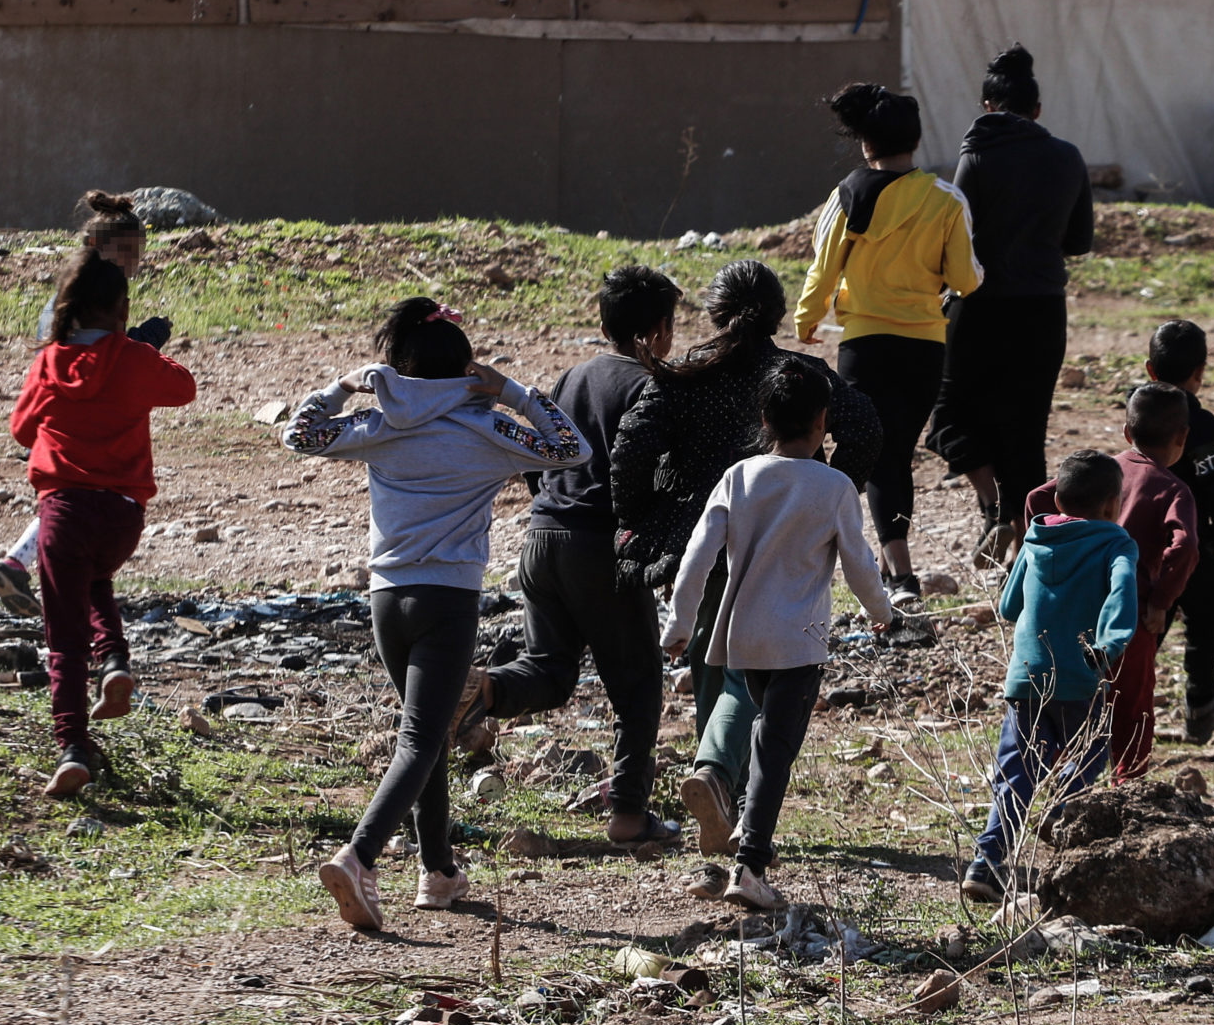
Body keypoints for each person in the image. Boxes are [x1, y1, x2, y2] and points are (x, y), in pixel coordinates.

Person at [283, 298, 583, 933]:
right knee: (422, 738)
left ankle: (437, 869)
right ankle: (359, 857)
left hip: (386, 600)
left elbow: (299, 433)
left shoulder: (379, 426)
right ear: (465, 371)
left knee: (430, 734)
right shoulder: (489, 430)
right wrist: (515, 392)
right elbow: (571, 449)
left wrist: (341, 384)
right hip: (448, 601)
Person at [608, 260, 878, 851]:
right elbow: (867, 426)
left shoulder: (683, 375)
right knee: (744, 678)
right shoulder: (802, 377)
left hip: (699, 535)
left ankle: (717, 789)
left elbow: (631, 446)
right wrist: (826, 491)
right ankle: (719, 782)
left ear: (714, 313)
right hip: (785, 544)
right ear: (779, 314)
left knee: (714, 662)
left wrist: (645, 515)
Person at [453, 265, 681, 846]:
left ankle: (481, 690)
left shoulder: (572, 376)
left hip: (542, 538)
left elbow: (539, 455)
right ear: (658, 332)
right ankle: (629, 814)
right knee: (637, 688)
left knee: (551, 672)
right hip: (601, 548)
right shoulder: (652, 387)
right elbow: (657, 475)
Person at [663, 361, 894, 911]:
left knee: (758, 732)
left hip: (742, 641)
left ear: (765, 419)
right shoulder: (835, 486)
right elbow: (860, 563)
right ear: (823, 423)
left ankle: (746, 828)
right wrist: (880, 609)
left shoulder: (739, 477)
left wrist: (678, 623)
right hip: (800, 642)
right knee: (774, 750)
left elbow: (698, 557)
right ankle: (750, 866)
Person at [6, 252, 197, 797]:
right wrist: (142, 349)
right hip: (121, 517)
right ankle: (114, 661)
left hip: (63, 513)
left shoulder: (49, 363)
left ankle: (72, 747)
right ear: (122, 309)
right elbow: (183, 388)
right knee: (97, 581)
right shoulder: (134, 359)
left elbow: (22, 431)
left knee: (64, 638)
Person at [796, 82, 981, 606]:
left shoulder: (847, 195)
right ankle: (892, 567)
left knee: (879, 452)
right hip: (924, 346)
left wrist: (806, 318)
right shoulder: (946, 198)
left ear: (865, 144)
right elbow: (966, 279)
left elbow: (822, 266)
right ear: (916, 141)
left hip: (864, 344)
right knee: (894, 449)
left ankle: (892, 572)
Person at [928, 44, 1094, 565]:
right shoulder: (1067, 157)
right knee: (1026, 432)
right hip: (1044, 310)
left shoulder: (976, 154)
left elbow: (957, 237)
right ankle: (1028, 556)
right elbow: (1080, 239)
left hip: (980, 307)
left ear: (986, 106)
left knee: (949, 417)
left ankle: (996, 508)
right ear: (1037, 111)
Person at [0, 190, 173, 618]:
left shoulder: (92, 298)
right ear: (92, 250)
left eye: (137, 253)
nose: (131, 262)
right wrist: (142, 346)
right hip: (66, 418)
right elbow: (85, 360)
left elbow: (101, 351)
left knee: (67, 503)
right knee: (71, 502)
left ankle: (17, 564)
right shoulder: (75, 302)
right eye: (122, 252)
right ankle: (36, 577)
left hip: (62, 416)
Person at [962, 450, 1138, 905]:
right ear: (1111, 505)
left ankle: (985, 864)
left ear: (1058, 499)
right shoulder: (1116, 543)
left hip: (1027, 678)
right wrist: (1109, 643)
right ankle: (1061, 816)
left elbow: (1007, 606)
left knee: (1015, 771)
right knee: (1091, 752)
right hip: (1081, 674)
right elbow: (1121, 591)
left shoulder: (1037, 536)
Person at [1018, 384, 1196, 780]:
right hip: (1129, 620)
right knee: (1131, 709)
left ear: (1126, 432)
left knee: (1073, 703)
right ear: (1183, 437)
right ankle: (1127, 790)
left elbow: (1036, 498)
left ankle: (1061, 788)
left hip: (1074, 613)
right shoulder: (1172, 488)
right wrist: (1161, 601)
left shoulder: (1100, 473)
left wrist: (1046, 551)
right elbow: (1185, 546)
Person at [1146, 321, 1214, 743]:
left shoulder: (1139, 419)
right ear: (1201, 371)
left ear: (1151, 370)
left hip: (1148, 548)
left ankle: (1112, 706)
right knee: (1203, 629)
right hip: (1199, 546)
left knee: (1147, 630)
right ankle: (1201, 708)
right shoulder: (1203, 426)